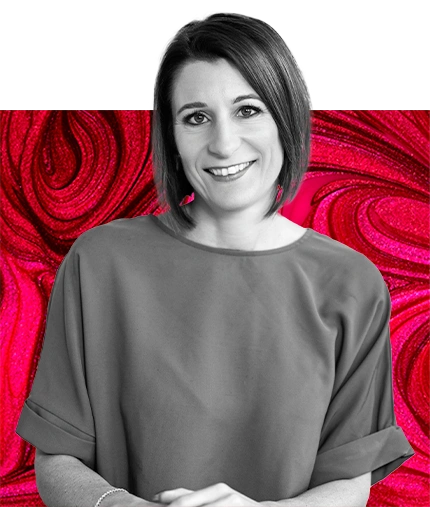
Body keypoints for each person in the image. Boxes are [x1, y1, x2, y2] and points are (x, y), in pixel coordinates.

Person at [16, 11, 413, 507]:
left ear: (286, 117)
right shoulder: (99, 262)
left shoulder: (352, 283)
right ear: (172, 138)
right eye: (196, 117)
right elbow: (57, 459)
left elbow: (350, 481)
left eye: (248, 110)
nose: (224, 144)